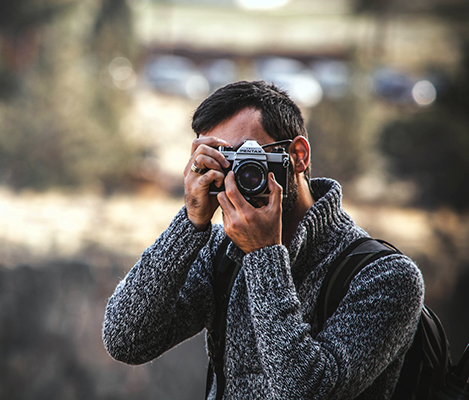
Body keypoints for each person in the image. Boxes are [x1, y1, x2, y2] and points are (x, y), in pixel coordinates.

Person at [102, 80, 424, 399]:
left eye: (249, 158)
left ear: (298, 156)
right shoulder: (221, 252)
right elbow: (126, 339)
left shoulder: (386, 277)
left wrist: (264, 255)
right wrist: (190, 224)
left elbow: (305, 393)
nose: (236, 178)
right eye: (220, 161)